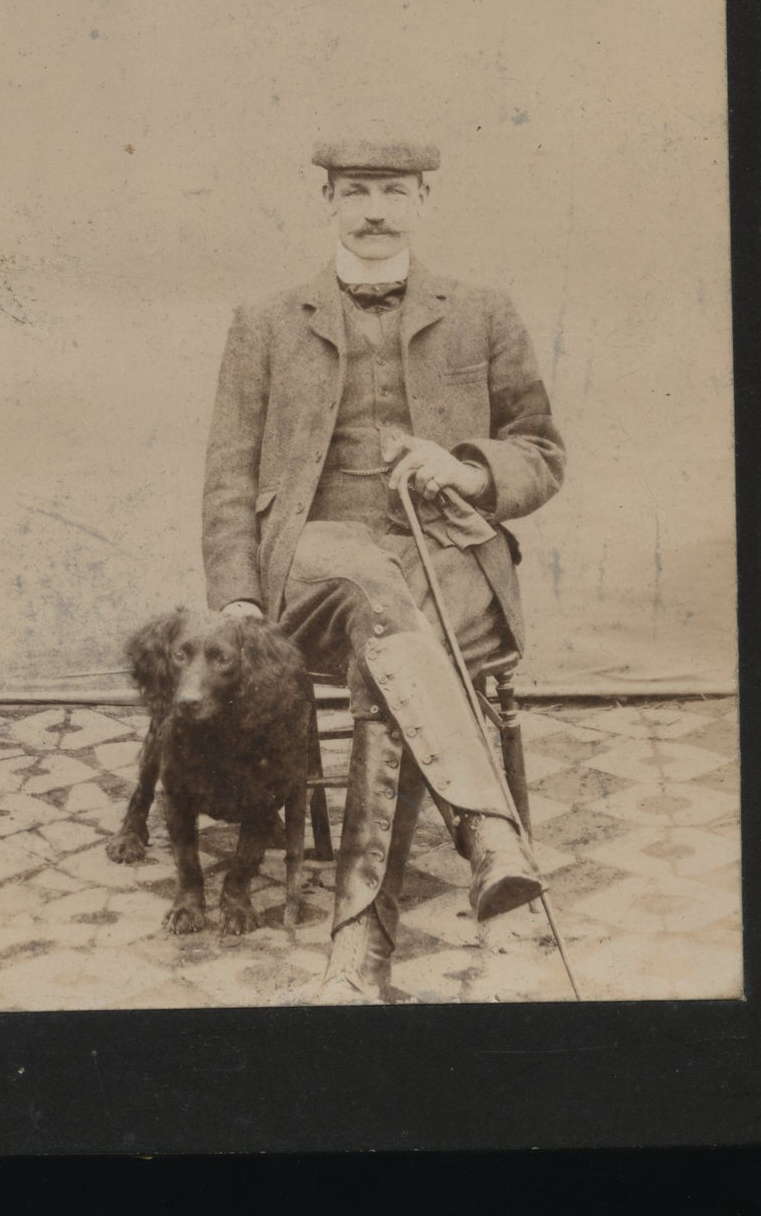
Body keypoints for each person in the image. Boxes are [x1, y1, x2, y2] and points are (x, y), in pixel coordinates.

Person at [202, 141, 565, 1002]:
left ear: (423, 197)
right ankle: (487, 831)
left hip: (451, 551)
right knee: (374, 588)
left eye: (393, 191)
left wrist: (468, 470)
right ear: (328, 198)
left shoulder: (483, 311)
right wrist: (240, 595)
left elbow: (542, 453)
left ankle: (359, 954)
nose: (374, 209)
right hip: (317, 556)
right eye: (356, 191)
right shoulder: (265, 318)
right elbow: (227, 471)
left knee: (390, 649)